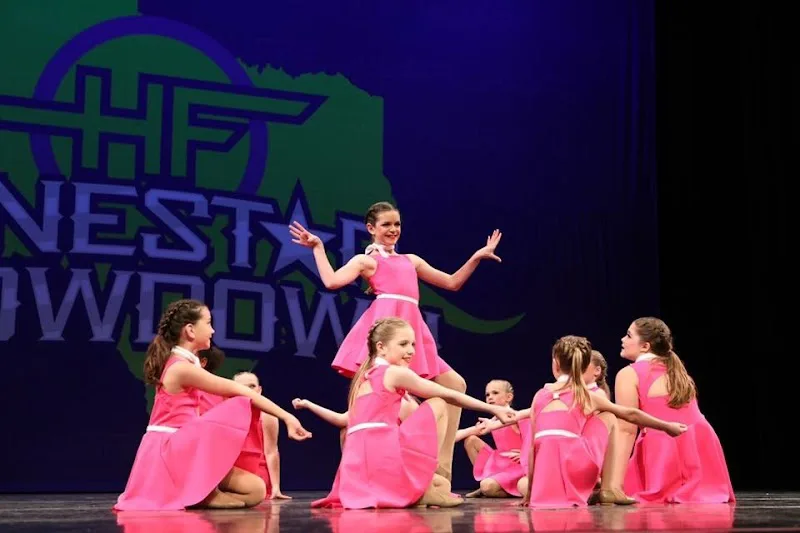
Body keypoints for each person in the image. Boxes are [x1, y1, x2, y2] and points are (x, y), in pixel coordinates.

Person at [289, 201, 502, 482]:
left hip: (412, 331)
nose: (393, 229)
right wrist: (318, 248)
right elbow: (332, 282)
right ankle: (378, 472)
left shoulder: (411, 261)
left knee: (455, 384)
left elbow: (451, 282)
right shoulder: (367, 261)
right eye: (386, 224)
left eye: (397, 224)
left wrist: (476, 257)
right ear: (371, 228)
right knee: (384, 403)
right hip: (389, 333)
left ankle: (441, 471)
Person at [114, 299, 311, 511]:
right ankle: (201, 493)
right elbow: (239, 390)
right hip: (171, 451)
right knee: (235, 403)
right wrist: (287, 416)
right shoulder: (181, 368)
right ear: (190, 330)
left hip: (187, 448)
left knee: (257, 490)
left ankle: (198, 492)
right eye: (208, 323)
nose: (213, 330)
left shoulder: (187, 364)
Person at [311, 317, 516, 509]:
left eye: (413, 345)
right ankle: (426, 485)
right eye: (403, 344)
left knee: (442, 484)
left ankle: (424, 486)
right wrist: (491, 408)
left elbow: (345, 423)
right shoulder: (394, 373)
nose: (411, 351)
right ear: (381, 347)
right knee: (439, 403)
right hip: (382, 457)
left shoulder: (363, 381)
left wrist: (308, 404)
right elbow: (449, 394)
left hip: (358, 473)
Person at [519, 335, 687, 508]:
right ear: (585, 366)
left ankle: (584, 489)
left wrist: (530, 494)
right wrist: (666, 426)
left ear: (555, 364)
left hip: (545, 471)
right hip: (575, 467)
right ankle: (608, 488)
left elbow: (532, 450)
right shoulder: (587, 396)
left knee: (524, 481)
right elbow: (630, 414)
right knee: (609, 416)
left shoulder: (539, 396)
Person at [610, 317, 735, 503]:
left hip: (664, 453)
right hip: (702, 451)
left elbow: (627, 430)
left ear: (645, 346)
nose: (623, 339)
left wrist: (615, 485)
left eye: (628, 335)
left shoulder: (629, 374)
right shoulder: (679, 371)